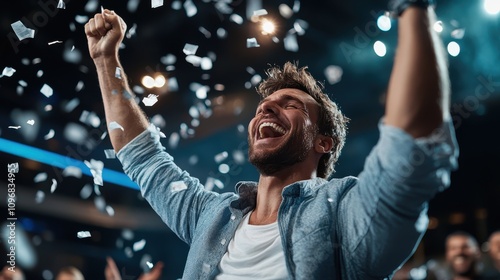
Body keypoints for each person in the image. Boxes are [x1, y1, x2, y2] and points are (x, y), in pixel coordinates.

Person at [84, 0, 459, 278]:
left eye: (291, 104)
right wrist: (106, 61)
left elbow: (411, 150)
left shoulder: (343, 213)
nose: (266, 110)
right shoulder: (211, 217)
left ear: (323, 142)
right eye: (263, 106)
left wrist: (413, 7)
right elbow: (144, 158)